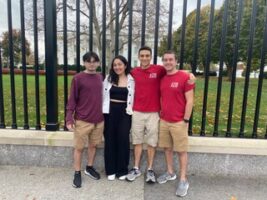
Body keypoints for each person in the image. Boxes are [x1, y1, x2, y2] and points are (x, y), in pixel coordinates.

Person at [157, 50, 194, 197]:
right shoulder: (163, 78)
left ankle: (183, 179)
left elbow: (190, 100)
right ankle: (170, 172)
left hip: (179, 121)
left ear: (176, 61)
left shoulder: (185, 77)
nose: (168, 62)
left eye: (170, 60)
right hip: (164, 121)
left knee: (181, 151)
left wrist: (186, 119)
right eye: (165, 60)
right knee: (167, 148)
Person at [126, 46, 166, 183]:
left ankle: (150, 169)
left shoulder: (159, 70)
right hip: (137, 112)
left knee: (151, 142)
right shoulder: (133, 72)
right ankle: (136, 168)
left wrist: (189, 75)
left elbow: (173, 71)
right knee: (137, 141)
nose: (144, 58)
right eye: (142, 56)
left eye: (147, 55)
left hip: (153, 113)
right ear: (138, 57)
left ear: (151, 56)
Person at [66, 52, 104, 188]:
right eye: (88, 61)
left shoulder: (101, 77)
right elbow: (72, 100)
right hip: (82, 120)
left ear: (98, 63)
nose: (92, 64)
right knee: (79, 148)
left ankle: (89, 167)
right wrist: (69, 118)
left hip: (99, 120)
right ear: (84, 63)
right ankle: (77, 172)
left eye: (94, 61)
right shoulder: (78, 78)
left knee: (93, 145)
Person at [102, 55, 135, 181]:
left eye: (120, 64)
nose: (117, 67)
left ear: (125, 65)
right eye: (115, 65)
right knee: (110, 140)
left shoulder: (132, 79)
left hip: (125, 113)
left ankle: (122, 170)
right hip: (110, 112)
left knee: (123, 140)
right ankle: (110, 169)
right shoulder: (108, 79)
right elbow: (102, 95)